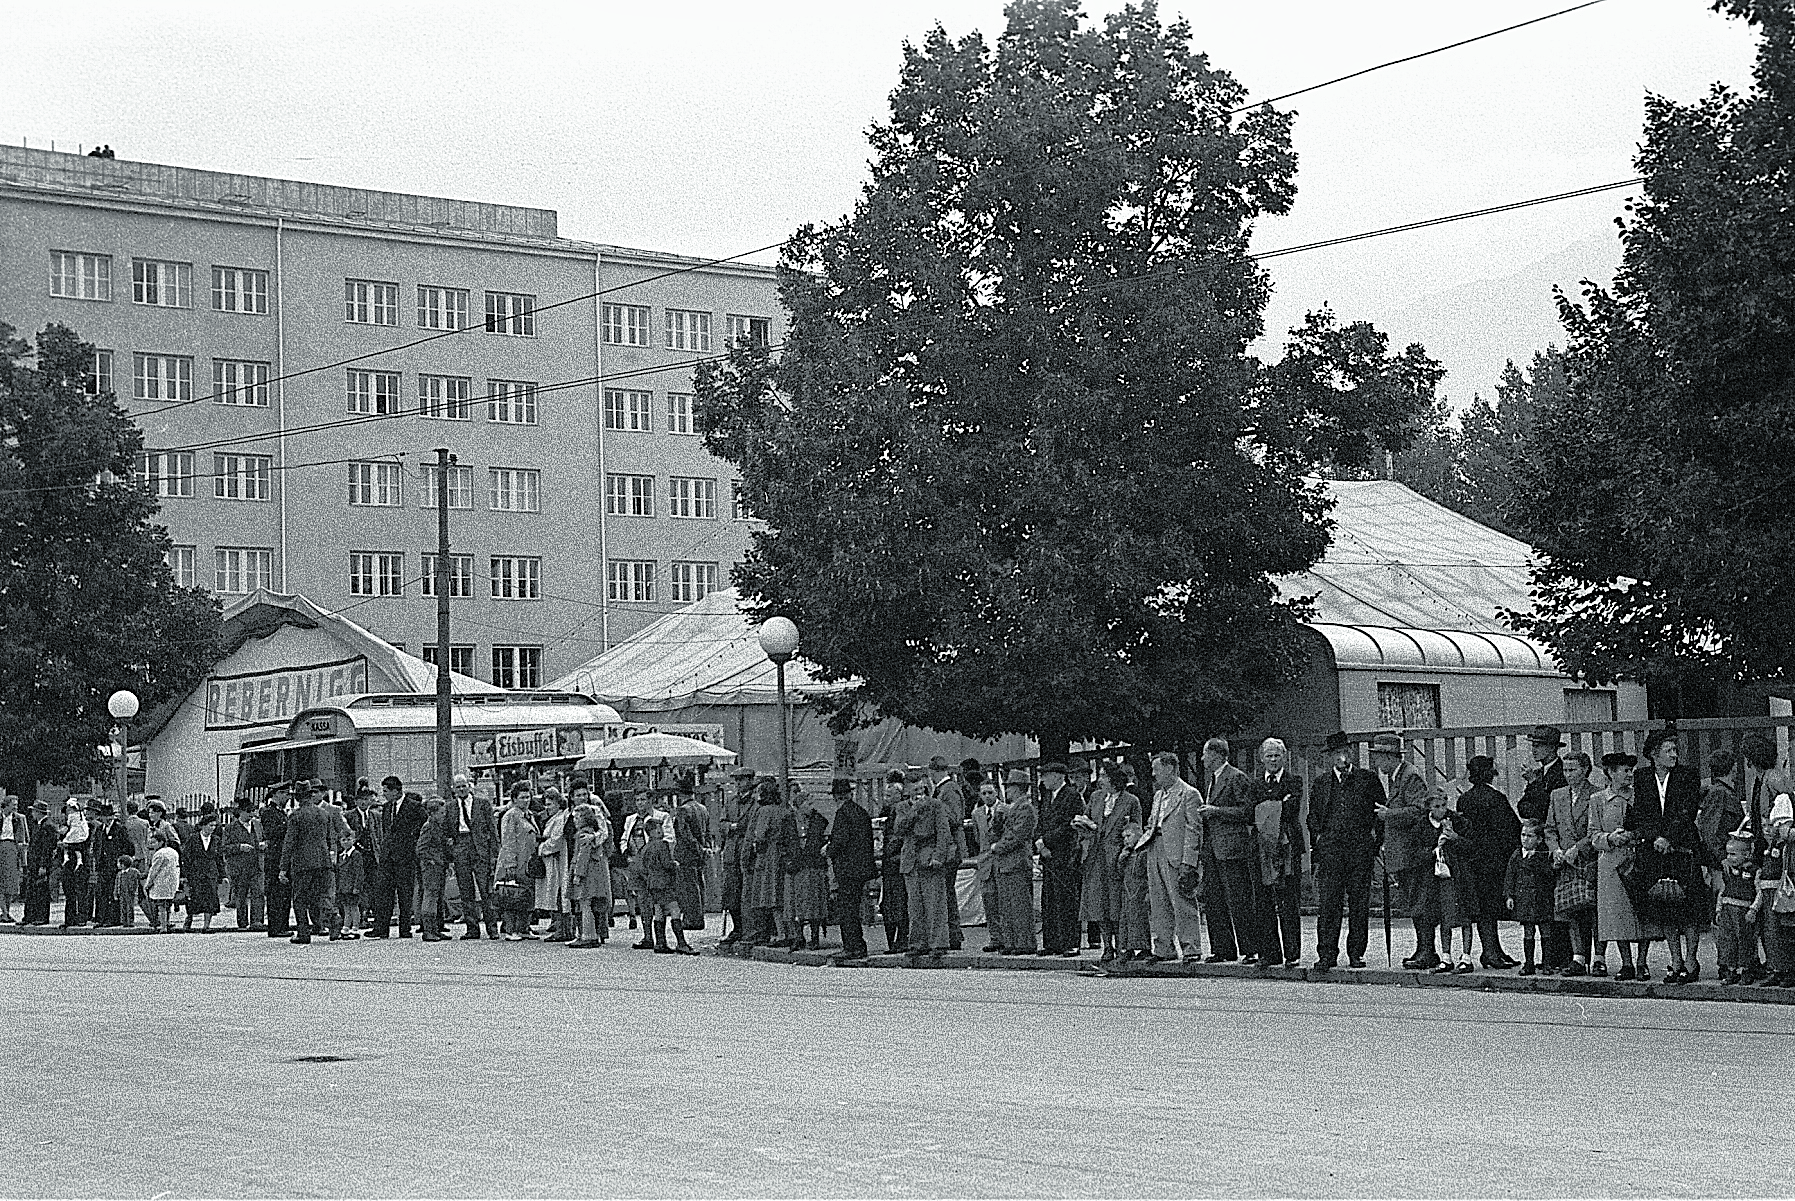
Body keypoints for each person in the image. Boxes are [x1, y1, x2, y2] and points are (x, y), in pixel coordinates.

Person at [1632, 727, 1709, 983]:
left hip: (1681, 848)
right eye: (1668, 750)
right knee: (1665, 905)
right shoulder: (1642, 777)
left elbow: (1686, 811)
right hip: (1655, 850)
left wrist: (1669, 838)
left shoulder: (1687, 776)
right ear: (1654, 754)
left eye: (1675, 750)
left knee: (1688, 906)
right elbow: (1643, 812)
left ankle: (1691, 960)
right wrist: (1654, 837)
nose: (1674, 755)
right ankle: (1674, 959)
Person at [1309, 732, 1381, 970]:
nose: (1340, 757)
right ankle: (1327, 953)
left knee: (1359, 903)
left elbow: (1380, 811)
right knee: (1329, 903)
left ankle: (1356, 952)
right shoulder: (1321, 783)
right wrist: (1319, 840)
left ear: (1350, 753)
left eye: (1343, 751)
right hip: (1331, 851)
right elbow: (1313, 817)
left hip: (1359, 849)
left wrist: (1375, 843)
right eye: (1334, 753)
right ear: (1329, 757)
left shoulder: (1367, 779)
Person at [1369, 731, 1436, 970]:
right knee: (1415, 901)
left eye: (1378, 757)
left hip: (1413, 852)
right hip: (1405, 853)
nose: (1376, 762)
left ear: (1389, 757)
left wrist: (1390, 815)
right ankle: (1423, 949)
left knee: (1420, 901)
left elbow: (1420, 810)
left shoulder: (1410, 777)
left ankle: (1427, 951)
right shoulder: (1399, 777)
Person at [1589, 752, 1656, 981]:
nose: (1629, 775)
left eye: (1631, 771)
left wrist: (1633, 835)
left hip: (1638, 859)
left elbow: (1650, 824)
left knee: (1643, 912)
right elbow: (1593, 835)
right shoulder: (1598, 799)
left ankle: (1642, 962)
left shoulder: (1642, 796)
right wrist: (1609, 839)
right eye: (1624, 770)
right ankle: (1626, 962)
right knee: (1617, 914)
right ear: (1611, 773)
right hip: (1611, 862)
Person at [1456, 755, 1521, 968]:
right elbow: (1510, 830)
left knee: (1484, 907)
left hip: (1473, 858)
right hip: (1495, 860)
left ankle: (1493, 950)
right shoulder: (1496, 798)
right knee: (1490, 907)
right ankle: (1491, 952)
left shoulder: (1464, 799)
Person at [1139, 752, 1204, 963]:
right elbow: (1152, 822)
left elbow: (1194, 829)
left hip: (1176, 852)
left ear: (1170, 769)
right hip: (1155, 848)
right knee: (1159, 901)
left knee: (1182, 901)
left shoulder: (1188, 794)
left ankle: (1191, 948)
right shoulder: (1159, 795)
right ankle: (1164, 948)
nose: (1153, 774)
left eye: (1156, 769)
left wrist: (1189, 861)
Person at [1197, 739, 1257, 963]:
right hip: (1214, 848)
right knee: (1214, 899)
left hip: (1232, 848)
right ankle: (1222, 948)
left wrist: (1216, 811)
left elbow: (1246, 812)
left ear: (1216, 754)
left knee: (1238, 898)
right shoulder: (1212, 779)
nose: (1203, 759)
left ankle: (1250, 948)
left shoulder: (1236, 777)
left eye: (1205, 754)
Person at [1518, 725, 1571, 969]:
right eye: (1533, 745)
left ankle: (1560, 956)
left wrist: (1534, 784)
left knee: (1557, 903)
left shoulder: (1559, 773)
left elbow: (1541, 805)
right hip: (1543, 838)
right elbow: (1524, 807)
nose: (1535, 749)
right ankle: (1552, 957)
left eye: (1539, 745)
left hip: (1555, 840)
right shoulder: (1542, 774)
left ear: (1552, 748)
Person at [1077, 763, 1141, 963]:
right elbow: (1086, 817)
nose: (1100, 779)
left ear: (1114, 779)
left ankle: (1123, 945)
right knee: (1098, 903)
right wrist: (1082, 825)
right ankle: (1107, 946)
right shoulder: (1096, 797)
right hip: (1095, 856)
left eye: (1104, 775)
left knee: (1117, 903)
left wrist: (1126, 848)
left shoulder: (1131, 801)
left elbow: (1134, 828)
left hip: (1116, 857)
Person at [1543, 750, 1599, 976]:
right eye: (1565, 770)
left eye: (1572, 770)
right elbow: (1549, 828)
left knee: (1593, 908)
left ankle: (1598, 957)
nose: (1568, 774)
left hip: (1587, 859)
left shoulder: (1595, 794)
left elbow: (1597, 828)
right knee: (1570, 907)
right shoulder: (1557, 795)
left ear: (1585, 770)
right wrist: (1555, 849)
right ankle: (1578, 956)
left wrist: (1578, 848)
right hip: (1565, 860)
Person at [1250, 738, 1305, 967]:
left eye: (1277, 756)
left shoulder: (1294, 781)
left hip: (1288, 846)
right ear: (1262, 758)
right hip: (1262, 848)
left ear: (1284, 757)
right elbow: (1251, 811)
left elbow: (1290, 810)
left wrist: (1269, 807)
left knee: (1288, 901)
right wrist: (1277, 804)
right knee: (1263, 901)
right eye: (1269, 756)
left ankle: (1292, 954)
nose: (1273, 760)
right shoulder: (1254, 784)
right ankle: (1269, 953)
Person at [895, 770, 954, 965]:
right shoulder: (903, 807)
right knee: (915, 906)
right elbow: (899, 829)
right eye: (914, 790)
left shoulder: (936, 806)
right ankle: (917, 943)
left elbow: (944, 833)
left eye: (921, 789)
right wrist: (914, 811)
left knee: (935, 903)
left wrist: (939, 856)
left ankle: (938, 943)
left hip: (929, 858)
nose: (918, 794)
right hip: (911, 861)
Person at [1415, 791, 1476, 974]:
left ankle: (1466, 957)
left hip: (1459, 876)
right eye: (1437, 806)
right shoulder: (1422, 826)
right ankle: (1446, 956)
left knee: (1464, 915)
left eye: (1444, 805)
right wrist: (1435, 849)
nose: (1442, 810)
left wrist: (1455, 837)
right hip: (1436, 878)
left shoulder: (1458, 821)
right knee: (1444, 917)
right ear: (1429, 808)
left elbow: (1471, 847)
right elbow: (1417, 854)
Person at [1032, 762, 1082, 957]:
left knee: (1066, 899)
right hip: (1048, 854)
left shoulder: (1070, 795)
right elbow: (1041, 822)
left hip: (1064, 853)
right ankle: (1052, 942)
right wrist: (1039, 842)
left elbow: (1069, 825)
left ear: (1058, 776)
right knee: (1049, 899)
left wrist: (1046, 840)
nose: (1043, 780)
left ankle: (1070, 942)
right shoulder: (1047, 797)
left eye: (1046, 775)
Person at [367, 777, 425, 940]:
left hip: (405, 856)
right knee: (384, 892)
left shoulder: (414, 807)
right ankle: (382, 928)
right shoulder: (386, 808)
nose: (383, 795)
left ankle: (404, 928)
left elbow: (422, 827)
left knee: (405, 893)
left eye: (386, 791)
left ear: (395, 791)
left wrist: (412, 843)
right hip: (388, 857)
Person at [279, 783, 336, 945]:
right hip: (323, 860)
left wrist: (283, 868)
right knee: (321, 894)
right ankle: (333, 917)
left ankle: (303, 932)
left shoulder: (296, 816)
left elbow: (289, 843)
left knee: (300, 899)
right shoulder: (324, 813)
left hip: (303, 863)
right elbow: (329, 838)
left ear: (297, 797)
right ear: (310, 795)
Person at [989, 769, 1038, 956]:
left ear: (1018, 789)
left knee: (1019, 905)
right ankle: (1011, 941)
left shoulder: (1025, 808)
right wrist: (998, 819)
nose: (1007, 791)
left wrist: (997, 847)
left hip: (1017, 861)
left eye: (1009, 787)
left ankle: (1024, 942)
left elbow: (1017, 835)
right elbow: (995, 832)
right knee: (1006, 905)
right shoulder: (1009, 809)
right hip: (1005, 863)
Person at [827, 778, 875, 962]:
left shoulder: (843, 813)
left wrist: (828, 850)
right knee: (854, 907)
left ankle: (852, 946)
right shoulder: (860, 812)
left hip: (848, 869)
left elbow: (840, 840)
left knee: (847, 909)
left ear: (835, 797)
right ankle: (858, 945)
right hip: (862, 868)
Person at [447, 773, 500, 940]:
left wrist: (494, 854)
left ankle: (492, 928)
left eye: (464, 786)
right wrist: (452, 849)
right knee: (465, 890)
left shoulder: (482, 804)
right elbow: (448, 830)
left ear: (469, 786)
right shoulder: (450, 807)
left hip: (479, 848)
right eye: (458, 787)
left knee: (486, 889)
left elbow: (492, 830)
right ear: (453, 790)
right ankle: (472, 928)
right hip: (461, 846)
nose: (461, 789)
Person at [927, 756, 970, 951]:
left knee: (946, 892)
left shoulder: (949, 790)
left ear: (934, 771)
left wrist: (935, 809)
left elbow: (955, 817)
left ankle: (953, 934)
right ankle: (952, 934)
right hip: (948, 847)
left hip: (950, 848)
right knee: (945, 892)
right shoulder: (944, 790)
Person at [1504, 822, 1557, 975]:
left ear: (1539, 839)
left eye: (1530, 836)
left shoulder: (1543, 855)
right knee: (1528, 931)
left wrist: (1537, 861)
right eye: (1523, 835)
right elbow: (1510, 877)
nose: (1525, 839)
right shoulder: (1517, 855)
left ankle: (1547, 963)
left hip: (1541, 898)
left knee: (1545, 931)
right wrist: (1509, 896)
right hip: (1524, 898)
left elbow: (1549, 875)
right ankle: (1529, 963)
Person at [743, 779, 790, 948]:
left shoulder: (764, 811)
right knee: (782, 894)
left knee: (770, 895)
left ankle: (779, 933)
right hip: (783, 855)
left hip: (768, 856)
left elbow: (760, 835)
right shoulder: (784, 809)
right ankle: (787, 931)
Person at [643, 815, 697, 954]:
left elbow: (643, 865)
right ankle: (681, 943)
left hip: (652, 883)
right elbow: (666, 864)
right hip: (664, 883)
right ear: (654, 831)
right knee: (675, 909)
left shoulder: (647, 847)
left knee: (659, 911)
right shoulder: (663, 845)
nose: (661, 830)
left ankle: (660, 942)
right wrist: (675, 864)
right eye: (659, 827)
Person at [716, 766, 758, 945]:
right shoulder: (732, 802)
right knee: (731, 892)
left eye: (741, 780)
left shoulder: (756, 802)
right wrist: (731, 827)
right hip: (732, 852)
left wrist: (738, 828)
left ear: (749, 781)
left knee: (747, 892)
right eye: (737, 781)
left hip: (748, 851)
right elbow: (722, 823)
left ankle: (751, 929)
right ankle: (737, 927)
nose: (739, 784)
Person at [1714, 833, 1762, 985]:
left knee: (1745, 941)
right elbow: (1723, 889)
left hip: (1744, 910)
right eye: (1728, 853)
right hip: (1728, 909)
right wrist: (1718, 909)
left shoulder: (1754, 871)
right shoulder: (1727, 870)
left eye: (1733, 854)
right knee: (1728, 941)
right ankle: (1731, 969)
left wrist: (1754, 909)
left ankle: (1747, 969)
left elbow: (1760, 891)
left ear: (1747, 854)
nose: (1729, 857)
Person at [495, 785, 539, 941]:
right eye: (522, 797)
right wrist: (509, 864)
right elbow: (508, 841)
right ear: (514, 799)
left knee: (525, 895)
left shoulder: (528, 815)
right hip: (515, 860)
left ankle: (524, 928)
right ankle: (511, 929)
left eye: (528, 797)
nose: (526, 800)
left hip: (527, 862)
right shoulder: (510, 816)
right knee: (512, 895)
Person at [787, 789, 830, 950]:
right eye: (808, 803)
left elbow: (821, 839)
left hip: (813, 866)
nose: (811, 807)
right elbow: (784, 843)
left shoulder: (819, 820)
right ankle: (798, 936)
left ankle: (815, 936)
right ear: (799, 806)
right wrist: (789, 860)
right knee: (795, 903)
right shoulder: (789, 821)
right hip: (796, 867)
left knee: (814, 904)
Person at [568, 802, 613, 948]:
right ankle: (592, 934)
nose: (574, 821)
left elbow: (583, 856)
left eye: (577, 818)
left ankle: (588, 935)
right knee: (588, 904)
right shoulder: (592, 834)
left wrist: (577, 874)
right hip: (593, 872)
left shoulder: (583, 834)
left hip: (586, 874)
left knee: (584, 903)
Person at [969, 775, 1006, 951]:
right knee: (989, 901)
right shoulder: (976, 814)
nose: (987, 796)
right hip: (985, 861)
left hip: (1000, 859)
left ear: (996, 792)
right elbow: (977, 837)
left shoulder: (1005, 810)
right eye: (984, 793)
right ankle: (995, 937)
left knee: (1003, 901)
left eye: (990, 792)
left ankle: (1007, 937)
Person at [876, 772, 910, 954]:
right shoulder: (890, 813)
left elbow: (897, 837)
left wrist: (888, 852)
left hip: (895, 863)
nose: (885, 799)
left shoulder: (899, 811)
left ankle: (899, 941)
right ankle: (896, 941)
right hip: (892, 864)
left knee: (896, 903)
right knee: (893, 904)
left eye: (889, 796)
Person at [86, 802, 134, 927]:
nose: (105, 819)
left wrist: (121, 861)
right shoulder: (99, 830)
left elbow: (129, 847)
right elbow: (97, 846)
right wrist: (97, 859)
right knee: (102, 893)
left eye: (108, 817)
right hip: (103, 866)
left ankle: (113, 919)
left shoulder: (119, 829)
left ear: (112, 817)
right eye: (103, 817)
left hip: (114, 866)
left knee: (113, 893)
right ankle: (102, 918)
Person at [673, 783, 712, 936]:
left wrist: (697, 847)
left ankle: (692, 919)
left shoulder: (683, 810)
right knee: (699, 884)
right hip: (700, 853)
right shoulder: (703, 808)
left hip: (687, 853)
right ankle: (699, 916)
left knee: (689, 887)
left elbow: (685, 834)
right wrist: (705, 848)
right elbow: (707, 831)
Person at [536, 787, 574, 942]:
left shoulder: (559, 819)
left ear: (558, 803)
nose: (547, 807)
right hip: (552, 861)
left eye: (550, 804)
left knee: (559, 895)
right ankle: (561, 927)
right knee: (556, 896)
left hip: (557, 861)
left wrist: (541, 848)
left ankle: (563, 929)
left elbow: (556, 841)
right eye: (546, 804)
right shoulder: (554, 818)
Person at [221, 799, 264, 930]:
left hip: (255, 865)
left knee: (258, 893)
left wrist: (261, 845)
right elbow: (224, 848)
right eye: (248, 812)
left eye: (252, 811)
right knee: (241, 895)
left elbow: (261, 840)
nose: (251, 814)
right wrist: (239, 847)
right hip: (239, 867)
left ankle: (257, 921)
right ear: (240, 812)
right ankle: (242, 922)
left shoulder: (257, 825)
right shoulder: (230, 828)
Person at [181, 810, 225, 932]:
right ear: (203, 825)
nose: (212, 828)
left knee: (210, 897)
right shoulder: (193, 839)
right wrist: (185, 874)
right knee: (194, 896)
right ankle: (189, 918)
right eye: (210, 825)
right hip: (196, 872)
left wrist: (222, 875)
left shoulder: (216, 840)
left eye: (214, 826)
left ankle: (206, 925)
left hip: (211, 872)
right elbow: (186, 857)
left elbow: (219, 858)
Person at [259, 786, 293, 938]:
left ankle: (282, 925)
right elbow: (271, 832)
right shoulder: (268, 812)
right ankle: (275, 927)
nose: (287, 797)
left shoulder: (280, 812)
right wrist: (289, 825)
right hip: (274, 857)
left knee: (284, 893)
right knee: (275, 894)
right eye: (284, 794)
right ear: (276, 794)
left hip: (282, 856)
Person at [414, 795, 449, 942]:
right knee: (430, 896)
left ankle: (435, 929)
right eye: (441, 813)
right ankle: (428, 930)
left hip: (438, 865)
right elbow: (421, 848)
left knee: (436, 897)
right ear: (433, 813)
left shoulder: (437, 826)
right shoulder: (428, 826)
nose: (444, 815)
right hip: (431, 867)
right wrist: (431, 861)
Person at [57, 798, 93, 929]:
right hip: (68, 861)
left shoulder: (83, 827)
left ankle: (82, 917)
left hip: (80, 862)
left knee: (81, 889)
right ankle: (70, 917)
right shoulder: (67, 827)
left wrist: (67, 844)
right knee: (69, 889)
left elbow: (80, 842)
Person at [24, 801, 55, 926]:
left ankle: (41, 916)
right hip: (34, 862)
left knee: (41, 890)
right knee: (32, 889)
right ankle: (30, 916)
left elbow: (47, 848)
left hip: (40, 863)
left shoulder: (47, 825)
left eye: (34, 811)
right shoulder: (39, 825)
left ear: (38, 812)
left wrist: (43, 865)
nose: (32, 814)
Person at [144, 829, 181, 932]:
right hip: (172, 881)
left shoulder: (159, 854)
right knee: (168, 904)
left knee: (161, 906)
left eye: (153, 842)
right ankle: (167, 923)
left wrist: (148, 883)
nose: (151, 845)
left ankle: (163, 926)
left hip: (161, 882)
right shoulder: (173, 851)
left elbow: (154, 870)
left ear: (161, 842)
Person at [113, 854, 142, 930]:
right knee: (123, 907)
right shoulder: (119, 874)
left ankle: (130, 921)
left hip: (130, 893)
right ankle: (124, 921)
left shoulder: (133, 872)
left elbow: (138, 879)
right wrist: (115, 893)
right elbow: (117, 884)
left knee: (130, 907)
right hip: (122, 893)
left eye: (119, 863)